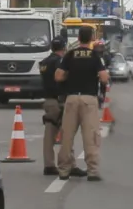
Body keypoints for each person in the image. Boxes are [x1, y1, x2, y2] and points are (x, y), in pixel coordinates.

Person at [51, 24, 110, 181]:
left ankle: (64, 170)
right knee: (91, 136)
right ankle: (92, 171)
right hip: (89, 99)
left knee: (67, 136)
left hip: (71, 99)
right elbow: (104, 78)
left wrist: (69, 77)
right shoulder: (95, 56)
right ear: (91, 38)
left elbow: (58, 76)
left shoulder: (70, 55)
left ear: (78, 38)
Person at [39, 31, 69, 176]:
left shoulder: (44, 62)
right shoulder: (60, 62)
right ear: (63, 48)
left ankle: (49, 164)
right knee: (66, 133)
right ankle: (66, 164)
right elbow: (63, 78)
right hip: (59, 100)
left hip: (48, 100)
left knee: (49, 135)